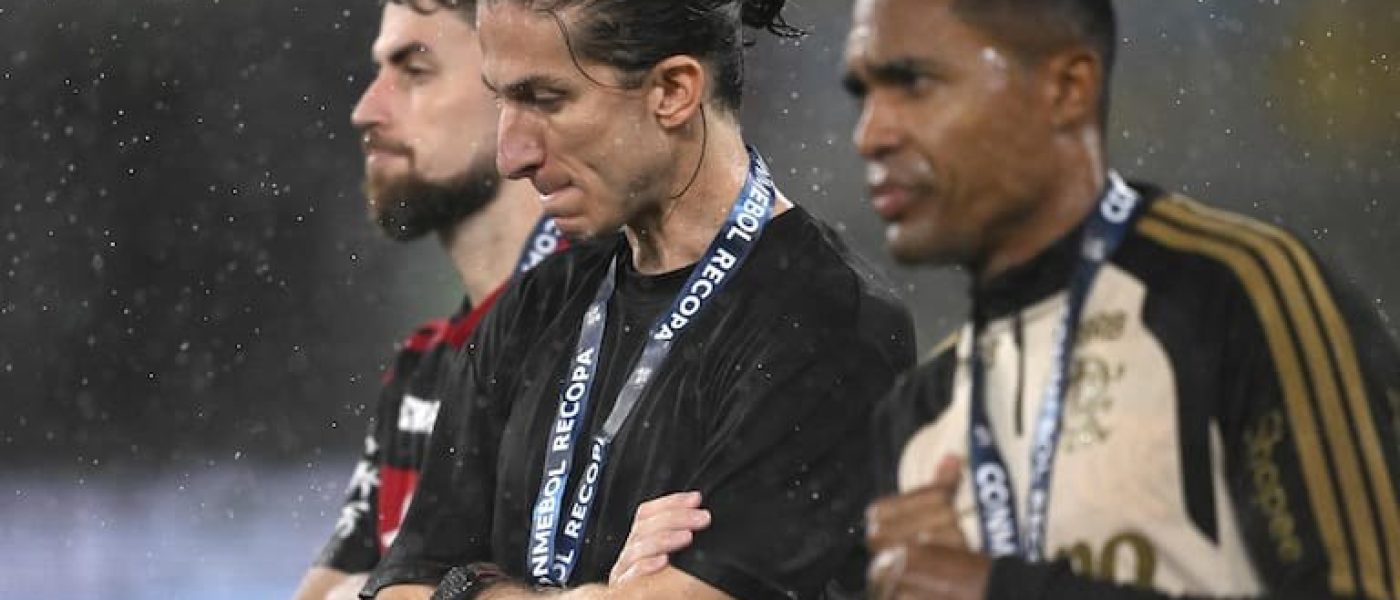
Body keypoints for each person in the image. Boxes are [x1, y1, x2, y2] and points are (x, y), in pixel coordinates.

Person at [841, 0, 1400, 598]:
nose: (871, 134)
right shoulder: (920, 416)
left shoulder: (1240, 297)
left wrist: (1005, 591)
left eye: (914, 84)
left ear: (1067, 88)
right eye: (863, 93)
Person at [362, 0, 916, 598]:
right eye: (501, 101)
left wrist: (468, 588)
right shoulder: (537, 304)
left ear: (673, 91)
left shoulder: (827, 326)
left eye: (546, 100)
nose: (511, 154)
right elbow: (401, 584)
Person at [291, 1, 565, 598]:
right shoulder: (424, 368)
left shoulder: (604, 339)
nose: (367, 110)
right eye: (379, 71)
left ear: (516, 92)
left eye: (414, 72)